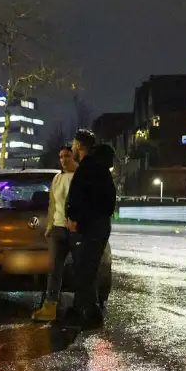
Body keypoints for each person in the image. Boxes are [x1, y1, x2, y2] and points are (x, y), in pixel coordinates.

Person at [62, 129, 117, 329]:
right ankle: (84, 312)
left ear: (79, 146)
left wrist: (75, 217)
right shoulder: (99, 167)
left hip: (91, 226)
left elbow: (80, 196)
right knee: (87, 270)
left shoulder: (89, 167)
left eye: (74, 144)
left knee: (85, 270)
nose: (73, 148)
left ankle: (88, 315)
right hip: (98, 225)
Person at [33, 146, 79, 322]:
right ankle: (50, 306)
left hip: (75, 229)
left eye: (67, 156)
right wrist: (50, 226)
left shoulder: (80, 177)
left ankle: (80, 306)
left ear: (74, 157)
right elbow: (52, 204)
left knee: (80, 269)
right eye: (60, 156)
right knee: (54, 270)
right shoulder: (57, 178)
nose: (63, 159)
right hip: (58, 229)